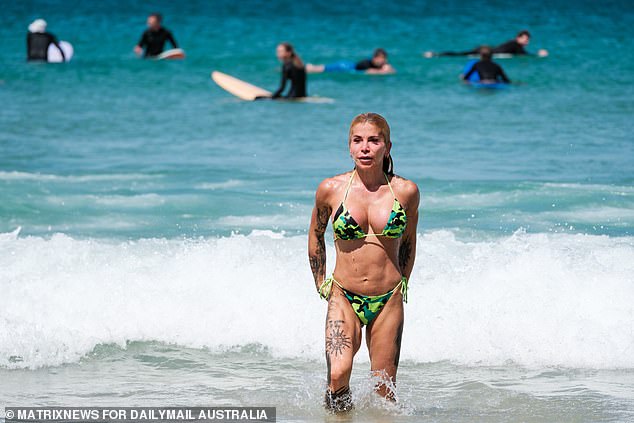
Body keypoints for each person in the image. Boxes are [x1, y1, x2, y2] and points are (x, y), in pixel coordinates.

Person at [308, 113, 419, 412]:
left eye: (373, 140)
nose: (365, 148)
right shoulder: (331, 189)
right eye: (358, 141)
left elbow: (409, 240)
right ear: (349, 147)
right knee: (337, 374)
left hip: (388, 299)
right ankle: (338, 419)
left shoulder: (405, 191)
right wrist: (323, 285)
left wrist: (402, 283)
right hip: (344, 294)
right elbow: (316, 235)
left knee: (384, 391)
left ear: (387, 146)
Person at [424, 30, 548, 58]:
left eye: (528, 40)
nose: (527, 42)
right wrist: (538, 55)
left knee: (460, 53)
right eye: (525, 39)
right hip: (487, 51)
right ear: (518, 38)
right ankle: (435, 54)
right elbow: (523, 55)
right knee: (460, 54)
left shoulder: (513, 43)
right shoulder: (516, 45)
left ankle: (435, 54)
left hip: (485, 49)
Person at [306, 49, 396, 74]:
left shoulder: (384, 64)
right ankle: (310, 67)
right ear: (374, 58)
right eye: (381, 58)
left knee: (325, 68)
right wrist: (383, 71)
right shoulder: (366, 63)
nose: (383, 61)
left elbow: (393, 71)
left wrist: (389, 69)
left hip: (349, 66)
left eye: (384, 58)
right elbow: (369, 72)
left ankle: (311, 67)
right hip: (344, 66)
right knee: (324, 69)